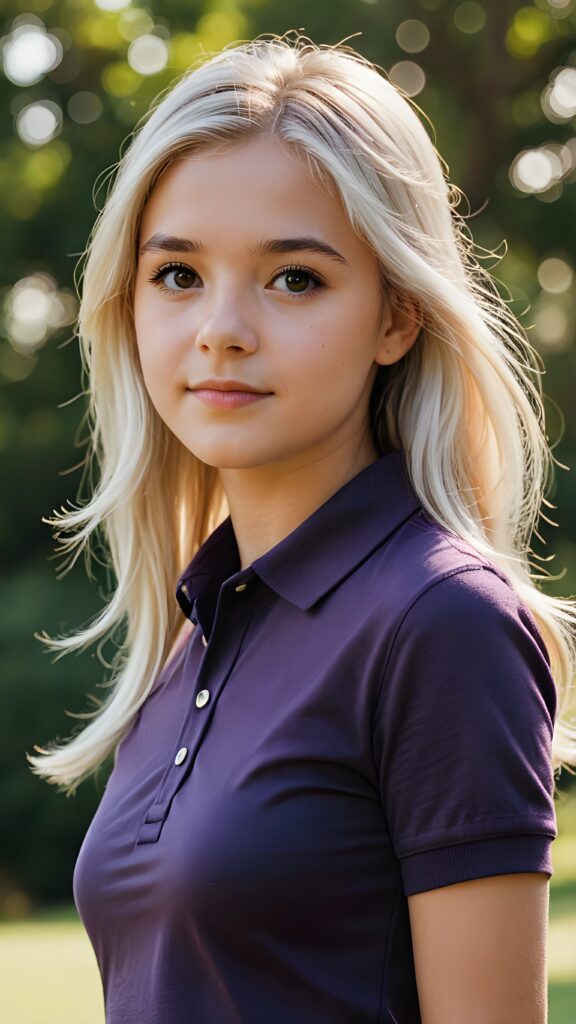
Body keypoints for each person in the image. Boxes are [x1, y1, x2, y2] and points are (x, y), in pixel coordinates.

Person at [27, 32, 576, 1024]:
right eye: (178, 275)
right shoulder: (195, 623)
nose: (221, 328)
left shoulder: (440, 620)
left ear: (397, 317)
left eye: (294, 279)